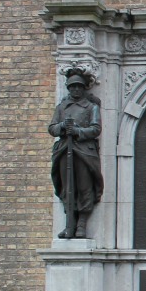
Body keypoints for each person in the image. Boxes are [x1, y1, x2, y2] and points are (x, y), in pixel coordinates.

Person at [48, 73, 103, 239]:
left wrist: (78, 131)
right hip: (65, 149)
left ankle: (81, 224)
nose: (76, 89)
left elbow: (95, 129)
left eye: (79, 86)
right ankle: (69, 223)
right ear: (69, 88)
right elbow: (52, 128)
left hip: (84, 151)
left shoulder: (91, 107)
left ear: (84, 88)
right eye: (73, 87)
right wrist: (63, 127)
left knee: (84, 186)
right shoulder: (62, 107)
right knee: (67, 187)